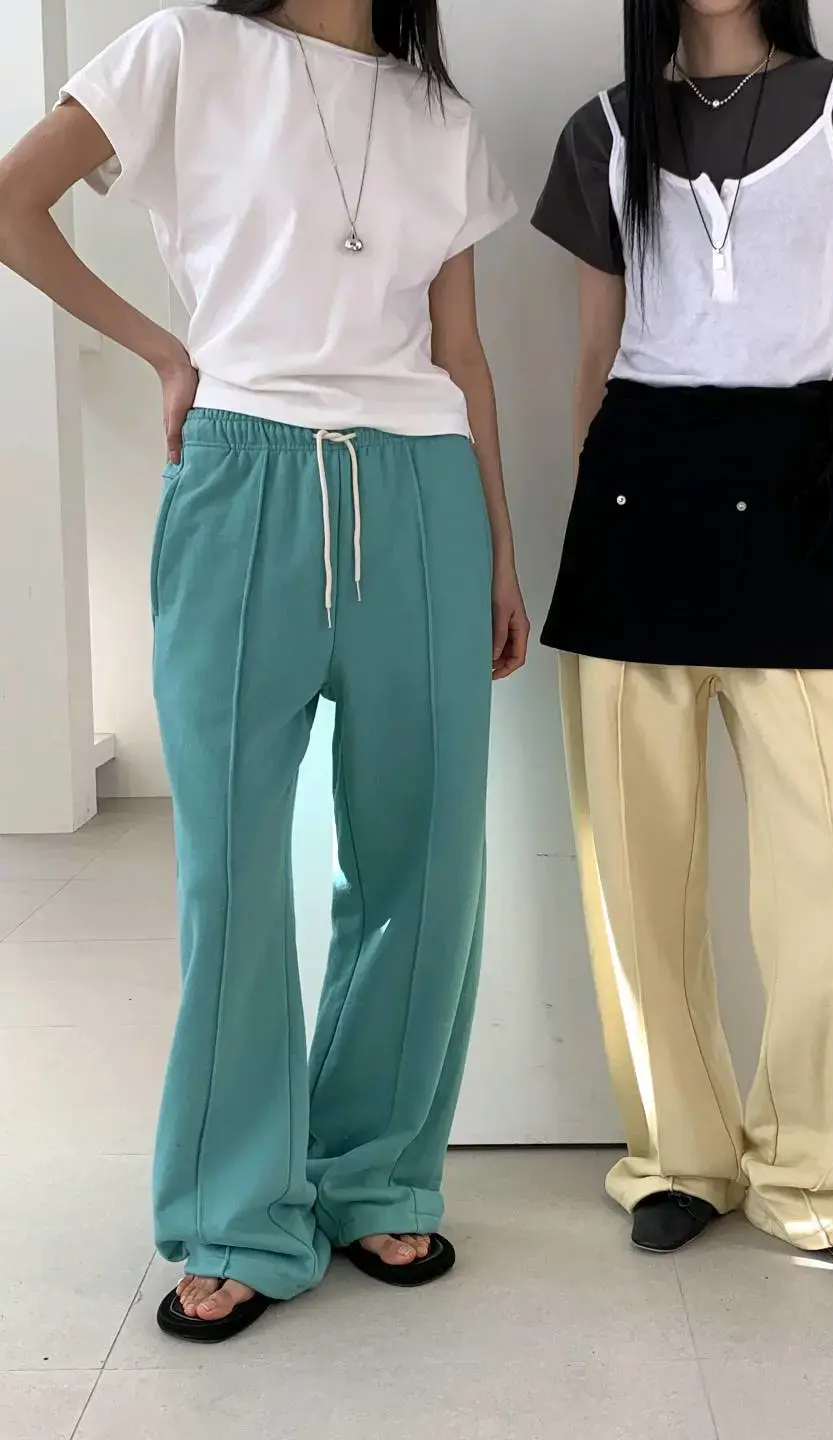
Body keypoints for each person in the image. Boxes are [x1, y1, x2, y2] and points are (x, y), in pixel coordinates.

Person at [0, 0, 528, 1341]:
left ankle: (377, 1174)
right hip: (243, 479)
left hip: (422, 492)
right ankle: (236, 1211)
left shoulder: (438, 113)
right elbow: (12, 202)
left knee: (425, 867)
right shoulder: (183, 49)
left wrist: (500, 552)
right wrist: (165, 349)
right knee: (231, 874)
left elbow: (461, 354)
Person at [532, 0, 833, 1278]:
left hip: (801, 492)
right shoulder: (605, 130)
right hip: (636, 497)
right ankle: (679, 1156)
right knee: (638, 866)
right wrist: (586, 521)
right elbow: (595, 352)